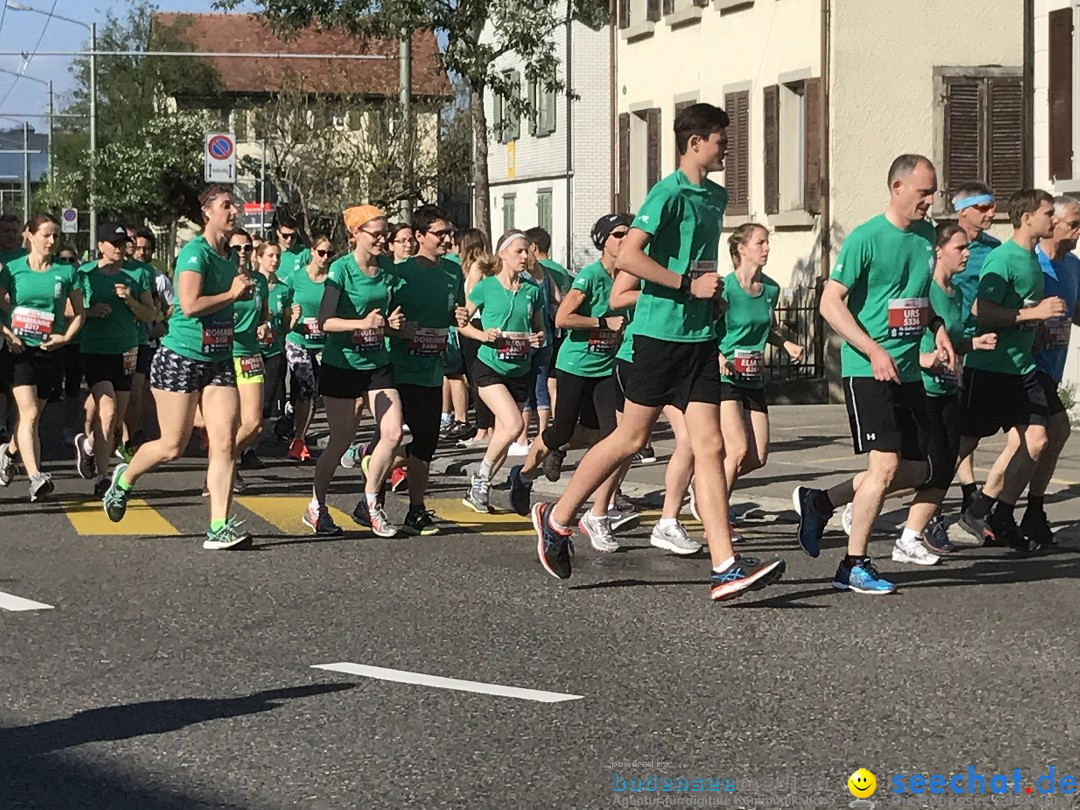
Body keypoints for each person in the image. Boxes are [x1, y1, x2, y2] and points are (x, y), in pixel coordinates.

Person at [532, 103, 786, 601]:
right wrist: (686, 285)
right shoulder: (667, 192)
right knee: (630, 439)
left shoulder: (716, 195)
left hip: (698, 341)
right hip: (655, 338)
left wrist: (709, 303)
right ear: (696, 143)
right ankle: (558, 518)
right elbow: (629, 254)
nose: (726, 148)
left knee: (709, 446)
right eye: (720, 140)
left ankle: (724, 564)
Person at [793, 154, 955, 595]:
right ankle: (853, 564)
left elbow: (917, 297)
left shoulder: (925, 235)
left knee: (920, 471)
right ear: (897, 187)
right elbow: (830, 303)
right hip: (867, 369)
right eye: (924, 193)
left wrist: (938, 330)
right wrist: (872, 349)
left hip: (908, 371)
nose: (929, 201)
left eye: (932, 192)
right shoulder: (865, 238)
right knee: (883, 466)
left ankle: (820, 501)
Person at [101, 184, 256, 551]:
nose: (234, 211)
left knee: (224, 441)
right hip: (181, 358)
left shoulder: (228, 256)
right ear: (207, 213)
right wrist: (231, 295)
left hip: (218, 359)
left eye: (235, 206)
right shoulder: (194, 253)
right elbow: (187, 305)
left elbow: (221, 303)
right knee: (172, 446)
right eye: (226, 206)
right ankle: (124, 479)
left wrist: (238, 298)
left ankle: (218, 526)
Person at [507, 214, 632, 553]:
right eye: (619, 234)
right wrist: (602, 320)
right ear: (604, 240)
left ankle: (599, 514)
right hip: (576, 365)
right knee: (561, 430)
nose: (626, 238)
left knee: (614, 438)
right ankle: (524, 475)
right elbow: (563, 318)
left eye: (629, 233)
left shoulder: (631, 278)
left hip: (606, 368)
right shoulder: (591, 277)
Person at [954, 189, 1061, 550]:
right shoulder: (1002, 258)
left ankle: (998, 513)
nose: (1054, 220)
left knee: (1038, 440)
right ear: (1028, 217)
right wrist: (1036, 314)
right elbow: (983, 312)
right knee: (961, 447)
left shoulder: (1032, 258)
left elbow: (1024, 310)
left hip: (1022, 369)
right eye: (1049, 213)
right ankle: (909, 505)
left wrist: (1035, 330)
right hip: (989, 369)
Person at [892, 223, 997, 563]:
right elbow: (900, 340)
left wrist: (972, 343)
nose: (967, 254)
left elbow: (952, 342)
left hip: (949, 389)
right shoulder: (923, 290)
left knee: (945, 466)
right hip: (921, 389)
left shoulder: (957, 293)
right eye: (959, 248)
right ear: (938, 251)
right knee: (922, 468)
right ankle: (864, 501)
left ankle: (909, 536)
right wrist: (926, 359)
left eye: (967, 248)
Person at [304, 205, 405, 537]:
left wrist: (393, 326)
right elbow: (325, 321)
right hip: (342, 364)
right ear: (354, 235)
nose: (381, 239)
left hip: (377, 363)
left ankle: (371, 504)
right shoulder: (341, 270)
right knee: (341, 440)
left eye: (384, 234)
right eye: (375, 234)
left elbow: (387, 321)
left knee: (392, 434)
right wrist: (362, 323)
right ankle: (316, 505)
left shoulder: (388, 270)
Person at [382, 204, 468, 534]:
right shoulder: (400, 274)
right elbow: (383, 321)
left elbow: (453, 312)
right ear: (419, 236)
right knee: (399, 438)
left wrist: (458, 318)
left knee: (426, 443)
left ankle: (415, 509)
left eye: (449, 233)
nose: (447, 238)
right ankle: (375, 499)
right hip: (399, 367)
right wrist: (395, 327)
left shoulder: (452, 271)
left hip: (433, 368)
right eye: (440, 233)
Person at [717, 224, 803, 517]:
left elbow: (764, 328)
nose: (767, 249)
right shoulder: (725, 288)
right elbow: (706, 329)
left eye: (768, 243)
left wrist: (785, 343)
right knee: (738, 449)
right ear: (742, 249)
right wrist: (716, 355)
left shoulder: (770, 288)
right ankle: (716, 509)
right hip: (725, 376)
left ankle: (705, 486)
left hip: (753, 377)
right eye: (761, 243)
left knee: (757, 456)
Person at [458, 231, 545, 512]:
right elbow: (462, 322)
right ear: (502, 254)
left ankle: (480, 490)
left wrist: (538, 338)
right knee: (515, 425)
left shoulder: (532, 290)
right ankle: (481, 479)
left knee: (505, 432)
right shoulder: (485, 287)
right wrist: (482, 335)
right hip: (489, 366)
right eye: (519, 251)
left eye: (527, 252)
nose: (525, 256)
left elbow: (539, 326)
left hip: (520, 367)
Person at [0, 214, 84, 501]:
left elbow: (79, 312)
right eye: (46, 235)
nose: (51, 241)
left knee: (33, 416)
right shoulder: (12, 269)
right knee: (30, 413)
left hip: (51, 351)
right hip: (19, 351)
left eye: (55, 236)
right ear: (30, 236)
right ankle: (36, 477)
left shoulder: (66, 271)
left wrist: (66, 337)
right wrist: (7, 334)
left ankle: (9, 452)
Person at [73, 224, 156, 497]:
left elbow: (150, 314)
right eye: (114, 243)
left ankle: (88, 446)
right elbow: (68, 310)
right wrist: (89, 311)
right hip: (94, 348)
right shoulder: (84, 273)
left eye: (123, 243)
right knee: (106, 410)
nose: (120, 248)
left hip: (126, 349)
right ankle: (101, 477)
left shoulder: (138, 273)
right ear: (101, 246)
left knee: (116, 417)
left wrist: (130, 301)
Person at [1019, 195, 1080, 545]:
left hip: (1051, 369)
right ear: (1052, 223)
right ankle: (1009, 508)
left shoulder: (1072, 266)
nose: (1077, 230)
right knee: (1053, 431)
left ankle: (1025, 510)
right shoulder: (1032, 264)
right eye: (1073, 223)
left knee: (1044, 437)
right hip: (1024, 366)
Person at [948, 183, 1001, 512]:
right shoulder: (942, 244)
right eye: (983, 208)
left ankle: (968, 490)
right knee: (958, 429)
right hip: (950, 344)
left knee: (969, 428)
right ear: (963, 211)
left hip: (980, 346)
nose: (991, 213)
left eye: (993, 207)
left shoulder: (995, 247)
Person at [284, 234, 333, 461]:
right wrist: (291, 318)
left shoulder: (332, 280)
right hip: (298, 340)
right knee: (305, 385)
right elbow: (284, 305)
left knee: (316, 393)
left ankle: (298, 431)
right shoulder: (296, 278)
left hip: (323, 342)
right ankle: (299, 439)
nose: (325, 257)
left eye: (329, 254)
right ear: (312, 252)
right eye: (321, 252)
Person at [227, 228, 269, 490]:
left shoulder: (260, 282)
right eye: (236, 248)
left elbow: (263, 314)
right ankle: (225, 470)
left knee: (253, 423)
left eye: (247, 248)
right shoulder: (220, 279)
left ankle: (224, 460)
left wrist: (264, 325)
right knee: (228, 421)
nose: (242, 253)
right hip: (224, 354)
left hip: (250, 354)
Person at [510, 250, 560, 456]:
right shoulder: (544, 272)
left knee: (525, 391)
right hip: (546, 336)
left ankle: (522, 439)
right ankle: (542, 435)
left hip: (526, 338)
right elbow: (557, 297)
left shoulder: (523, 279)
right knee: (542, 388)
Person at [251, 240, 292, 468]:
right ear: (259, 258)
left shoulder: (284, 290)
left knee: (267, 403)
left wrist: (293, 318)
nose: (274, 260)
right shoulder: (252, 285)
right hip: (251, 352)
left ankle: (250, 448)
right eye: (270, 256)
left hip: (274, 350)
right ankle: (238, 447)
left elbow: (286, 326)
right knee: (249, 404)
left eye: (277, 256)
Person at [457, 228, 496, 448]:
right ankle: (489, 426)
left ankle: (482, 430)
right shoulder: (491, 263)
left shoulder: (476, 266)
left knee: (476, 377)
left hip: (475, 323)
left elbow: (471, 298)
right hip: (488, 322)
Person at [272, 209, 308, 283]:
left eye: (293, 236)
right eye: (285, 236)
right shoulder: (269, 252)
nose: (289, 240)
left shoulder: (304, 252)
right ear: (278, 233)